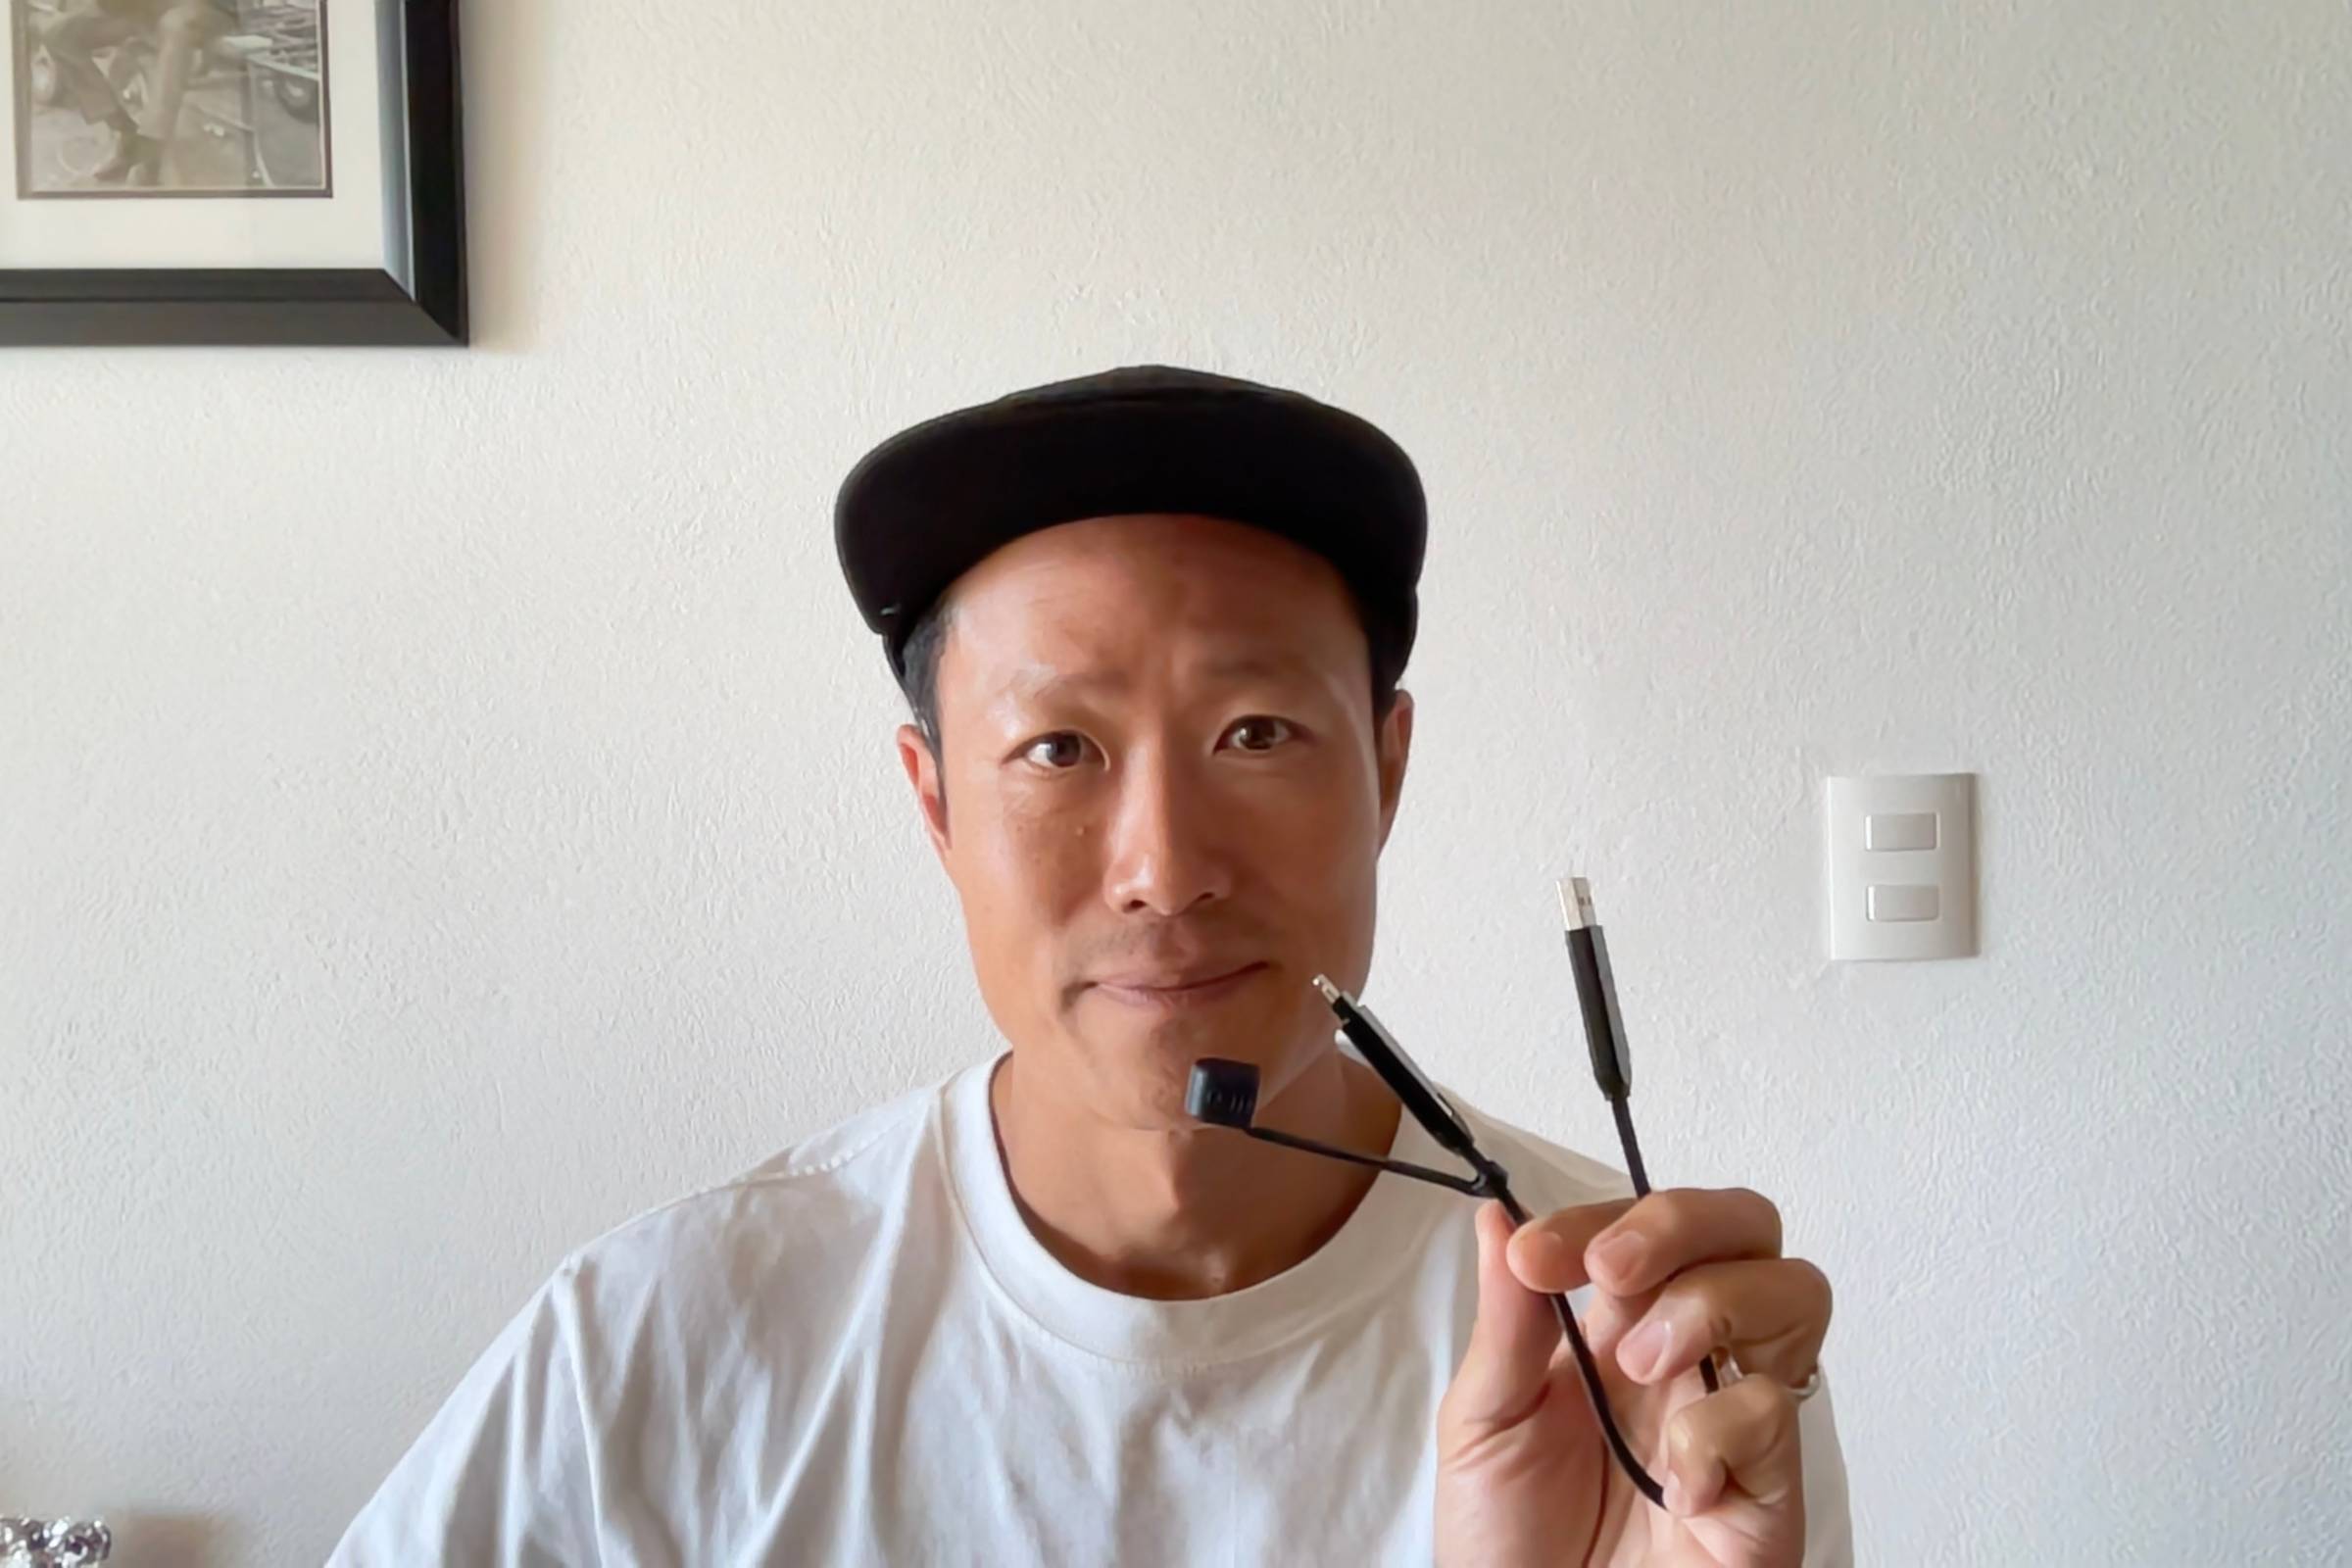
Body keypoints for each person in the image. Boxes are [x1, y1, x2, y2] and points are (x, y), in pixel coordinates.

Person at [328, 366, 1851, 1565]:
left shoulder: (1639, 1357)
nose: (1165, 868)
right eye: (1058, 748)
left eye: (1257, 734)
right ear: (936, 804)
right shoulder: (657, 1344)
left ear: (1387, 772)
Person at [34, 0, 236, 186]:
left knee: (174, 25)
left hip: (201, 7)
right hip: (143, 10)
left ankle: (150, 150)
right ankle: (124, 133)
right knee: (60, 35)